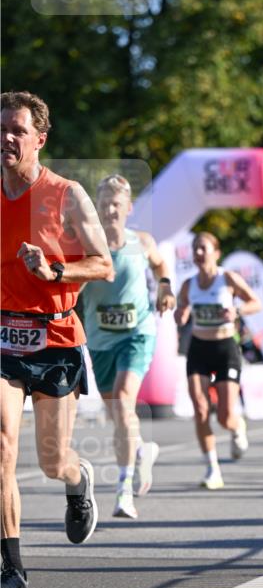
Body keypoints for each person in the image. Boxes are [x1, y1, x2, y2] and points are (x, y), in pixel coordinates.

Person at [1, 91, 113, 588]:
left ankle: (76, 478)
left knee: (51, 460)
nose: (6, 138)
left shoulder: (66, 195)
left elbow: (103, 264)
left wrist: (54, 271)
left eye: (17, 131)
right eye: (1, 129)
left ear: (39, 140)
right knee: (2, 449)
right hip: (3, 334)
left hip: (56, 337)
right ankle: (13, 570)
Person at [78, 174, 176, 519]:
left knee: (122, 402)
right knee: (117, 414)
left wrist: (165, 288)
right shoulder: (86, 246)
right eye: (103, 203)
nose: (109, 209)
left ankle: (124, 491)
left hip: (138, 334)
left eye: (115, 203)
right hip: (100, 339)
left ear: (128, 208)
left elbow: (161, 265)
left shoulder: (142, 241)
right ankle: (140, 451)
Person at [175, 232, 262, 489]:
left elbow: (255, 303)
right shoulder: (188, 284)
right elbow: (181, 308)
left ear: (216, 252)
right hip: (199, 348)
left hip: (225, 348)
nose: (198, 253)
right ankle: (212, 468)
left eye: (203, 248)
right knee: (200, 408)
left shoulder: (228, 279)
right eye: (195, 249)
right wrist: (180, 315)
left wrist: (237, 310)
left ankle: (237, 427)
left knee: (225, 416)